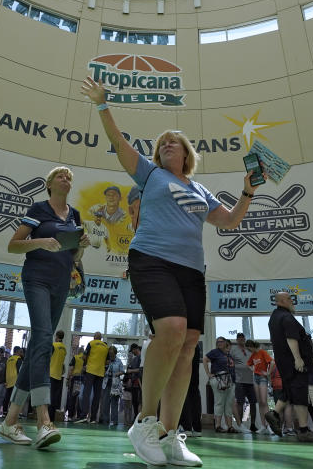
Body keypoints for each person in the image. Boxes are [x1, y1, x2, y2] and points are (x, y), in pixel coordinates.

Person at [82, 75, 264, 467]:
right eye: (162, 142)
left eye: (173, 143)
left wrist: (248, 190)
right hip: (151, 259)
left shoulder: (201, 191)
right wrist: (102, 105)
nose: (167, 145)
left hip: (191, 270)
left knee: (188, 346)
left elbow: (229, 221)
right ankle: (144, 422)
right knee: (171, 330)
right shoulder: (149, 174)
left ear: (185, 154)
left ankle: (167, 434)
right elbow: (118, 143)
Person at [0, 166, 89, 448]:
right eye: (61, 176)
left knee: (40, 344)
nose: (66, 179)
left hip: (61, 282)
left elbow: (73, 258)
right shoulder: (38, 209)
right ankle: (43, 419)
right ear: (50, 184)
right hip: (36, 278)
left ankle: (10, 420)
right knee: (42, 342)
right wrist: (41, 242)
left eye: (69, 178)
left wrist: (82, 246)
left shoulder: (74, 216)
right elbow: (13, 245)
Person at [265, 292, 313, 443]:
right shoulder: (287, 317)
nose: (293, 302)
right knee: (299, 395)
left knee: (290, 391)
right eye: (290, 299)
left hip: (284, 362)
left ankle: (274, 414)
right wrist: (298, 359)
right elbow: (291, 338)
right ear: (283, 301)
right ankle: (303, 430)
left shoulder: (274, 317)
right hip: (293, 363)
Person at [203, 337, 235, 433]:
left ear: (225, 343)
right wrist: (208, 374)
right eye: (217, 342)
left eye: (221, 341)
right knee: (219, 402)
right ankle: (218, 426)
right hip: (219, 379)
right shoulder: (215, 352)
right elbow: (204, 359)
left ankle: (230, 426)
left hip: (230, 380)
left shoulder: (228, 353)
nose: (219, 343)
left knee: (229, 403)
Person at [78, 331, 109, 424]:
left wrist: (86, 362)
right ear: (101, 338)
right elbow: (107, 362)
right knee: (97, 396)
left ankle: (83, 416)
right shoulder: (105, 346)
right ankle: (93, 418)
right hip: (100, 373)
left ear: (95, 337)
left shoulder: (91, 343)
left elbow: (84, 356)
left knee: (86, 394)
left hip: (90, 371)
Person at [229, 332, 258, 433]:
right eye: (239, 338)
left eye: (242, 338)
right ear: (237, 340)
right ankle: (240, 425)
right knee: (240, 402)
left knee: (253, 402)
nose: (241, 340)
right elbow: (229, 362)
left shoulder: (249, 350)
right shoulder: (233, 350)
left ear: (244, 339)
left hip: (250, 380)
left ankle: (253, 425)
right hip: (239, 380)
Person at [246, 340, 274, 434]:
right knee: (260, 403)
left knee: (264, 402)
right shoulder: (253, 355)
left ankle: (269, 426)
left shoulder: (262, 352)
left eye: (249, 348)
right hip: (256, 378)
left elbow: (272, 362)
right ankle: (263, 425)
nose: (249, 350)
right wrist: (252, 369)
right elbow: (248, 364)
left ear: (252, 346)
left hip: (262, 378)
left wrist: (268, 372)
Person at [178, 340, 203, 437]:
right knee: (193, 390)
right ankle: (196, 427)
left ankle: (186, 426)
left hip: (183, 344)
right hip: (193, 344)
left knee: (183, 390)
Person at [49, 330, 67, 423]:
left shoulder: (53, 345)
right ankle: (51, 418)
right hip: (59, 376)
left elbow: (48, 358)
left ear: (56, 336)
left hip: (51, 373)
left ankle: (47, 418)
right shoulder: (64, 348)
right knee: (55, 398)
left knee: (49, 397)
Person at [104, 346, 125, 428]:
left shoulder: (119, 361)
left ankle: (114, 421)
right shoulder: (107, 361)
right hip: (106, 383)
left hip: (115, 385)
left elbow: (123, 371)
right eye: (110, 354)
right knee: (105, 403)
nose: (111, 355)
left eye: (112, 354)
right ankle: (105, 420)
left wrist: (117, 374)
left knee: (114, 403)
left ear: (115, 353)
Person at [65, 346, 84, 421]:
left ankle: (70, 416)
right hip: (82, 380)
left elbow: (71, 369)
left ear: (78, 352)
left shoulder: (75, 357)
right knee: (80, 398)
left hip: (75, 379)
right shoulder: (85, 359)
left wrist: (68, 378)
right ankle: (79, 416)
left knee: (72, 397)